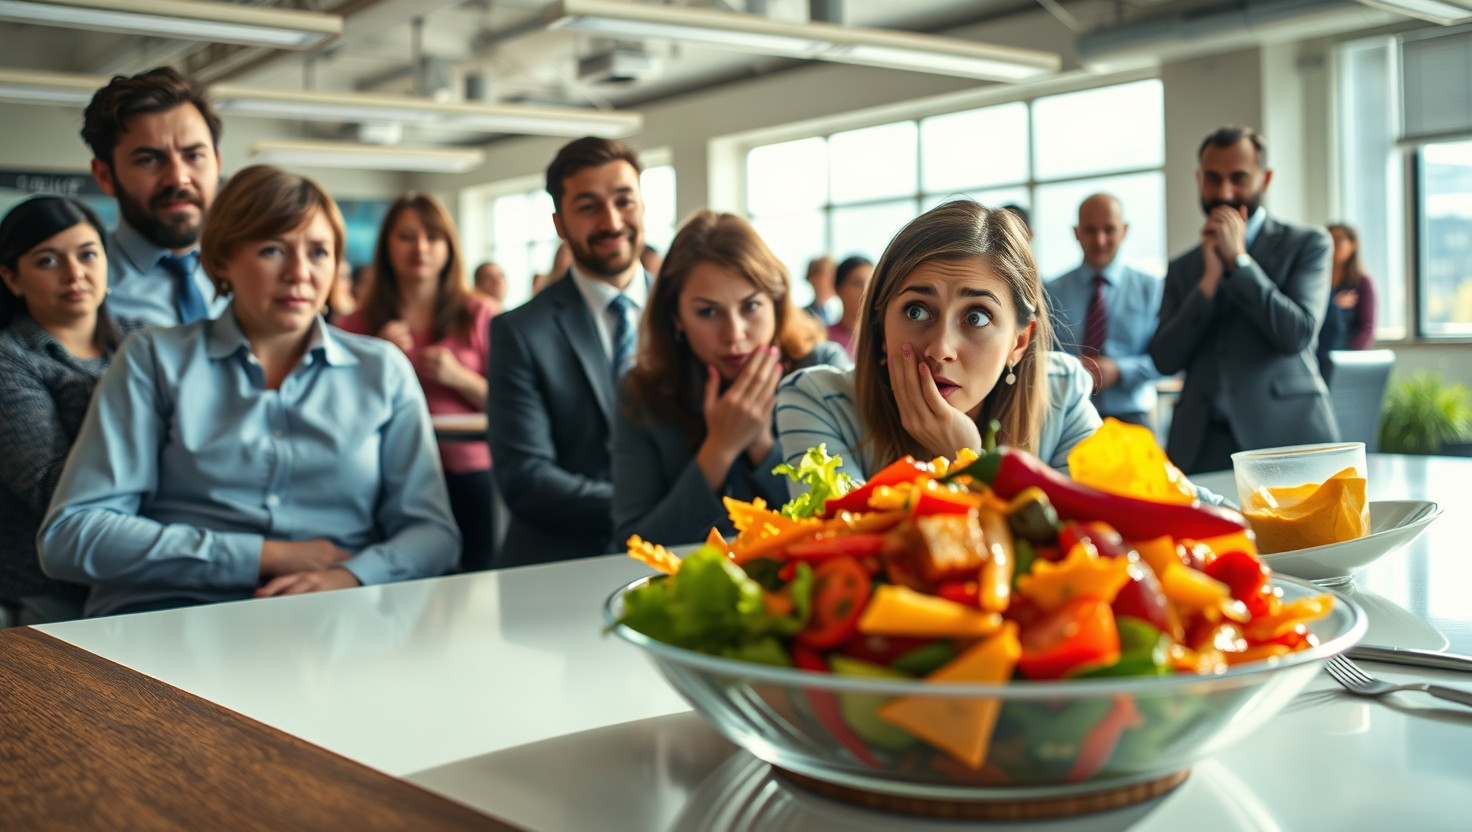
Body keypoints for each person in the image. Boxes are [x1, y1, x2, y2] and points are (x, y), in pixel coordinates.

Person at [38, 165, 458, 616]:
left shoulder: (382, 370)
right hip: (172, 617)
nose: (300, 273)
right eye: (273, 250)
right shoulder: (154, 359)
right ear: (222, 261)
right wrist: (263, 556)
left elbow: (433, 534)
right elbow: (73, 535)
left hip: (333, 618)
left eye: (319, 252)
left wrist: (350, 576)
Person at [776, 200, 1100, 484]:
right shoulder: (817, 401)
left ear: (1018, 343)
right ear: (880, 324)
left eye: (977, 317)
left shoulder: (1063, 392)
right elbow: (837, 544)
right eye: (916, 311)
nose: (941, 349)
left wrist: (967, 460)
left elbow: (1099, 543)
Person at [613, 211, 849, 546]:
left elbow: (846, 522)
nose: (734, 334)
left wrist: (761, 445)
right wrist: (718, 451)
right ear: (676, 317)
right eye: (708, 312)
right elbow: (631, 544)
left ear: (777, 303)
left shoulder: (823, 369)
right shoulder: (642, 392)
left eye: (751, 306)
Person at [487, 137, 652, 568]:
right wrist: (650, 509)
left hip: (682, 554)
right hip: (560, 563)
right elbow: (527, 479)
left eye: (624, 201)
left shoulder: (692, 315)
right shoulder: (519, 331)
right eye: (588, 206)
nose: (612, 221)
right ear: (560, 225)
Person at [1149, 126, 1337, 475]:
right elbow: (1164, 358)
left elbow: (1297, 334)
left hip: (1286, 440)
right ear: (1198, 179)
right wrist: (1207, 284)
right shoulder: (1184, 267)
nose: (1225, 192)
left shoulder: (1308, 244)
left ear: (1264, 179)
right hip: (1200, 446)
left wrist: (1240, 263)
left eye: (1239, 178)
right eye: (1213, 179)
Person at [0, 197, 147, 625]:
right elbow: (55, 490)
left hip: (154, 572)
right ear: (11, 277)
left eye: (87, 254)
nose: (75, 274)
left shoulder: (147, 340)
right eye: (48, 261)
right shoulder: (11, 360)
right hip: (55, 590)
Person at [339, 194, 497, 571]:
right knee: (397, 588)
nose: (420, 248)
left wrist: (461, 379)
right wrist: (378, 359)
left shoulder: (481, 315)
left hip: (468, 474)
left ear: (449, 246)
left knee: (476, 583)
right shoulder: (355, 326)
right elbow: (338, 413)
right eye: (406, 236)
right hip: (384, 478)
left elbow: (513, 406)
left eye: (432, 236)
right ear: (386, 245)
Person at [81, 66, 227, 326]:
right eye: (148, 159)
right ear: (105, 176)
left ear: (216, 164)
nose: (178, 178)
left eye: (194, 156)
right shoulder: (79, 289)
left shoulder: (252, 274)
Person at [1045, 193, 1165, 429]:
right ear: (1076, 233)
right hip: (1069, 418)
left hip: (1133, 419)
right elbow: (1041, 356)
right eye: (1090, 230)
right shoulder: (1051, 291)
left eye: (1109, 230)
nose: (1100, 240)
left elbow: (1168, 361)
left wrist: (1120, 371)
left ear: (1124, 230)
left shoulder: (1152, 289)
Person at [1316, 222, 1378, 378]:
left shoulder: (1362, 282)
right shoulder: (1318, 279)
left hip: (1346, 361)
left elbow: (1367, 329)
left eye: (1338, 239)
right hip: (1318, 357)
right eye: (1329, 238)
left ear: (1352, 244)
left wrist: (1347, 357)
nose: (1333, 244)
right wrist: (1333, 303)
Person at [826, 255, 872, 359]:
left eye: (871, 284)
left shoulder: (884, 339)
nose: (865, 291)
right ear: (838, 289)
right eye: (857, 283)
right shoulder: (824, 338)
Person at [802, 255, 841, 325]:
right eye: (829, 275)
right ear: (812, 278)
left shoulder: (837, 315)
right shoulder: (802, 315)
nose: (834, 280)